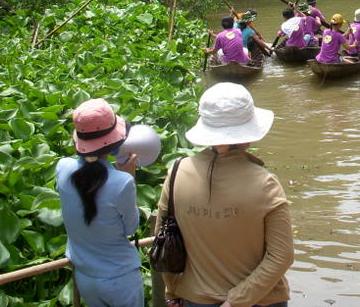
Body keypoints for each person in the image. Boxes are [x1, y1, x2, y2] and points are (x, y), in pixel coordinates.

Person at [158, 83, 294, 307]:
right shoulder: (265, 183)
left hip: (194, 299)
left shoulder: (175, 174)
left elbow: (164, 243)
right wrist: (235, 302)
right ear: (248, 135)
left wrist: (172, 291)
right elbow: (281, 257)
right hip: (259, 300)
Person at [56, 99, 142, 307]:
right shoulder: (122, 183)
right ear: (114, 142)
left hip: (85, 277)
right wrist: (130, 177)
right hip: (120, 278)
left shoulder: (62, 167)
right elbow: (131, 228)